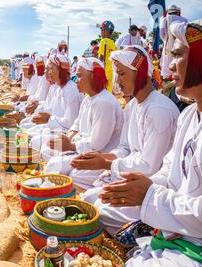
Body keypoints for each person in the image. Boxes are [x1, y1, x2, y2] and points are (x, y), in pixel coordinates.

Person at [99, 18, 202, 267]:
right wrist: (138, 185)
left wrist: (147, 195)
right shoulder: (189, 115)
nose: (169, 66)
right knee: (98, 207)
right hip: (174, 227)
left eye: (177, 54)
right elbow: (169, 173)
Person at [78, 45, 180, 229]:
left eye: (122, 74)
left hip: (150, 186)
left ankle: (144, 230)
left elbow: (150, 166)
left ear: (139, 72)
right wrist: (104, 159)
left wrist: (107, 164)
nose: (118, 81)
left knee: (98, 211)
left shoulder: (158, 109)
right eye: (117, 74)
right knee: (88, 198)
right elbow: (124, 148)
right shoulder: (133, 106)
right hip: (128, 175)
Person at [44, 57, 124, 189]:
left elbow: (97, 144)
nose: (76, 80)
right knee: (48, 151)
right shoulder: (88, 99)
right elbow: (76, 123)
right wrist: (67, 139)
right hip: (80, 148)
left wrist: (71, 146)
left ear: (93, 76)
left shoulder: (104, 102)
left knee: (60, 168)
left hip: (100, 156)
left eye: (80, 76)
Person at [160, 4, 188, 80]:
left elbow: (161, 34)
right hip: (182, 48)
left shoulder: (165, 19)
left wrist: (166, 40)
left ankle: (168, 87)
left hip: (169, 47)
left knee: (167, 70)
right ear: (177, 11)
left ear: (168, 11)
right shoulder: (185, 20)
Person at [98, 21, 117, 92]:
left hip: (105, 72)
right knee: (109, 94)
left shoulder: (104, 41)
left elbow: (100, 59)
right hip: (112, 73)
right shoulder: (113, 43)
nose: (101, 32)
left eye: (101, 30)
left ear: (105, 31)